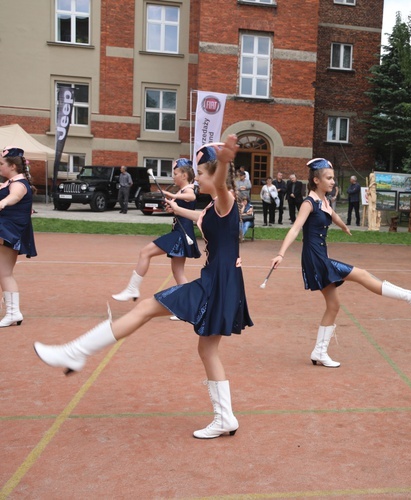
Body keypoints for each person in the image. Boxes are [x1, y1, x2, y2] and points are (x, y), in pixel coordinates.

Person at [35, 136, 253, 439]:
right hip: (221, 283)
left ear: (214, 174)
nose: (196, 178)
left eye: (200, 174)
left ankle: (76, 352)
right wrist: (176, 207)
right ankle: (225, 417)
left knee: (146, 308)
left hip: (216, 283)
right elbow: (199, 216)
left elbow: (218, 183)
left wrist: (226, 159)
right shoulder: (215, 206)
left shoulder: (225, 198)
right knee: (207, 349)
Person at [270, 158, 411, 368]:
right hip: (315, 259)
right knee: (362, 275)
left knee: (334, 305)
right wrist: (281, 254)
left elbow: (333, 216)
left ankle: (319, 352)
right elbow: (295, 228)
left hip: (319, 257)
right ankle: (409, 297)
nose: (333, 181)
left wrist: (344, 226)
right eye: (329, 178)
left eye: (333, 178)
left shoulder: (323, 201)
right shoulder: (309, 203)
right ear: (316, 180)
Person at [111, 159, 202, 313]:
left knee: (145, 252)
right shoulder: (183, 189)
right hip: (181, 232)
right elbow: (180, 209)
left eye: (175, 174)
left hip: (181, 234)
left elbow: (191, 197)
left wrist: (170, 194)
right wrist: (172, 207)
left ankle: (132, 289)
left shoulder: (189, 188)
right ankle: (189, 307)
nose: (173, 177)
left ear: (184, 175)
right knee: (178, 273)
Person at [0, 147, 37, 328]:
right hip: (7, 230)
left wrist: (3, 202)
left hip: (8, 231)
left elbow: (14, 197)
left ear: (13, 166)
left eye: (1, 164)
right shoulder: (10, 182)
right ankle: (12, 310)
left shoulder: (18, 184)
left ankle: (13, 312)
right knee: (4, 273)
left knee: (5, 273)